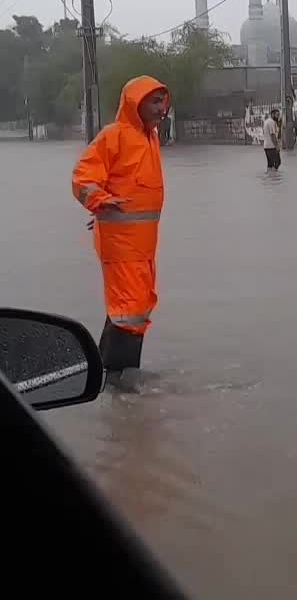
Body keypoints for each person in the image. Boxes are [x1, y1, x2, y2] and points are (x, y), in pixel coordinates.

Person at [72, 76, 169, 381]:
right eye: (154, 101)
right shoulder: (113, 136)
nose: (161, 108)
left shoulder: (150, 138)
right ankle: (119, 382)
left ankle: (105, 372)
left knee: (134, 308)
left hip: (142, 244)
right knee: (131, 309)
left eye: (163, 101)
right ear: (134, 104)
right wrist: (100, 202)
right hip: (122, 244)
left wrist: (105, 206)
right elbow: (83, 178)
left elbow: (131, 188)